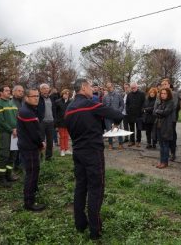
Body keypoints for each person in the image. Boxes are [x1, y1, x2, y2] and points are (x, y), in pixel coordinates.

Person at [65, 79, 123, 240]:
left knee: (80, 187)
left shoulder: (69, 108)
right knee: (96, 189)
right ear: (84, 88)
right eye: (91, 87)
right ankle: (95, 230)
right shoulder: (90, 104)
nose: (93, 89)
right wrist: (115, 124)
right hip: (93, 152)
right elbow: (117, 114)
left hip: (77, 151)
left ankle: (80, 223)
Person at [17, 88, 46, 211]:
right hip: (29, 148)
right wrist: (41, 144)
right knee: (32, 174)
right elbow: (34, 133)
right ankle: (29, 202)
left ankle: (32, 193)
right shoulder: (27, 112)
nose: (36, 98)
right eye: (33, 96)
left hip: (27, 146)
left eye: (37, 96)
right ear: (26, 98)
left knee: (32, 173)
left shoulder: (28, 109)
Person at [0, 85, 18, 188]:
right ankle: (1, 179)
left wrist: (17, 128)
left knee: (12, 154)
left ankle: (9, 175)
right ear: (1, 93)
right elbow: (1, 121)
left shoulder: (11, 102)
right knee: (4, 155)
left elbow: (16, 116)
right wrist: (11, 129)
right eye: (6, 91)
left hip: (15, 133)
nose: (9, 92)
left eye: (9, 90)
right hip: (5, 133)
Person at [155, 78, 180, 161]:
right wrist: (159, 111)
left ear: (169, 85)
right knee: (162, 139)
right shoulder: (160, 94)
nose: (164, 86)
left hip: (171, 119)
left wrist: (161, 111)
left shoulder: (174, 94)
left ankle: (173, 153)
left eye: (165, 84)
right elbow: (156, 107)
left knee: (171, 137)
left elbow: (173, 107)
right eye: (162, 84)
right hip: (160, 119)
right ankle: (166, 154)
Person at [153, 88, 174, 169]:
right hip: (158, 125)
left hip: (166, 126)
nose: (163, 95)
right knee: (161, 145)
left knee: (165, 145)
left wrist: (159, 111)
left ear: (168, 94)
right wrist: (159, 111)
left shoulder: (170, 102)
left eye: (165, 93)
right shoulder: (160, 102)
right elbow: (154, 112)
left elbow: (166, 112)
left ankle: (165, 162)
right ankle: (161, 161)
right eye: (162, 93)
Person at [37, 83, 56, 161]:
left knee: (50, 140)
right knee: (41, 140)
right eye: (44, 88)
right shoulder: (38, 98)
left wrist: (55, 120)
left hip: (51, 122)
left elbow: (54, 109)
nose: (46, 90)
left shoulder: (51, 98)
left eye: (47, 88)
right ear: (40, 90)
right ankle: (39, 156)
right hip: (42, 122)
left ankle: (49, 157)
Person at [103, 82, 124, 150]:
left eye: (110, 87)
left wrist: (118, 111)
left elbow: (122, 105)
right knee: (109, 130)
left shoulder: (118, 95)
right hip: (108, 116)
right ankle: (110, 144)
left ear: (113, 87)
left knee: (118, 129)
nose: (109, 88)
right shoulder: (105, 96)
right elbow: (103, 106)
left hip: (116, 116)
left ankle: (120, 144)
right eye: (107, 87)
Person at [125, 82, 145, 147]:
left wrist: (142, 110)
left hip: (139, 114)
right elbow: (127, 104)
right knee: (131, 129)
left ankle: (138, 141)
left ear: (137, 87)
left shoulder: (142, 94)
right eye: (132, 88)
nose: (133, 89)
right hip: (131, 114)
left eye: (134, 88)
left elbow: (144, 103)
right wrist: (127, 110)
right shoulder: (129, 94)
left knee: (138, 129)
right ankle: (132, 141)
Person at [54, 89, 72, 156]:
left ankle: (66, 149)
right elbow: (55, 113)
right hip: (60, 121)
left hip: (68, 121)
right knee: (62, 136)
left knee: (66, 136)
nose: (66, 95)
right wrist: (56, 123)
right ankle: (62, 150)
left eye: (67, 94)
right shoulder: (57, 102)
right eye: (65, 93)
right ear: (62, 94)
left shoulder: (70, 102)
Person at [11, 85, 24, 171]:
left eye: (22, 91)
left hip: (23, 128)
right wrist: (13, 128)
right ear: (14, 92)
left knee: (22, 147)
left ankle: (21, 164)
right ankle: (15, 166)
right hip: (15, 129)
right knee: (15, 149)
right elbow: (11, 117)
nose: (21, 92)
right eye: (19, 91)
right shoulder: (11, 103)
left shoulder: (23, 102)